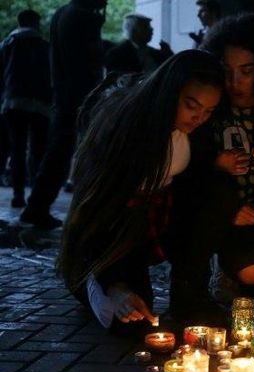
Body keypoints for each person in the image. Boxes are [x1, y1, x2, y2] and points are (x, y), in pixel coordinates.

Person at [56, 50, 224, 331]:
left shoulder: (193, 130)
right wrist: (116, 285)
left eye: (208, 111)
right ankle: (88, 279)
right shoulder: (128, 132)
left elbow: (193, 183)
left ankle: (187, 291)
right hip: (115, 232)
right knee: (131, 321)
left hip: (157, 224)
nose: (198, 118)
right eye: (191, 105)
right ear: (170, 91)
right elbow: (98, 214)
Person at [170, 13, 254, 313]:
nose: (235, 82)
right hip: (217, 209)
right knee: (248, 267)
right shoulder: (210, 105)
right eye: (226, 70)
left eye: (247, 71)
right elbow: (186, 171)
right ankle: (201, 281)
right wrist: (218, 175)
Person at [20, 0, 106, 230]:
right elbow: (93, 54)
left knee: (57, 154)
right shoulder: (85, 17)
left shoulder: (63, 13)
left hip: (63, 94)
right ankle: (41, 208)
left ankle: (37, 206)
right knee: (71, 153)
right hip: (80, 94)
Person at [0, 9, 51, 208]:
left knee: (17, 149)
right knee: (38, 151)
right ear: (36, 24)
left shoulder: (6, 45)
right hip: (40, 105)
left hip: (13, 103)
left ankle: (18, 194)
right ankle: (36, 197)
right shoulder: (45, 46)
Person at [105, 14, 173, 75]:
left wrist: (168, 55)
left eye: (149, 26)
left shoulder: (157, 54)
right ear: (132, 30)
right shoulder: (116, 54)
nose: (152, 29)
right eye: (145, 26)